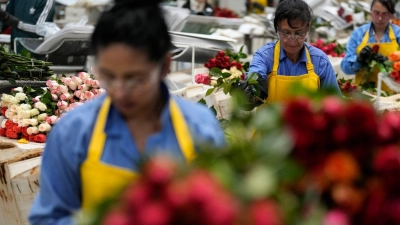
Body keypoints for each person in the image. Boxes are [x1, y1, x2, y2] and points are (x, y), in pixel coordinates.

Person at [28, 0, 225, 224]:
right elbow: (49, 218)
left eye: (135, 79)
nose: (120, 92)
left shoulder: (200, 128)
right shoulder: (73, 132)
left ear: (164, 66)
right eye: (109, 76)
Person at [240, 0, 340, 108]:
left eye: (299, 33)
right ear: (277, 29)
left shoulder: (320, 61)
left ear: (308, 28)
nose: (292, 41)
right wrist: (252, 89)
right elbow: (256, 73)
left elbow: (335, 105)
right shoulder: (265, 57)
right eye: (286, 33)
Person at [341, 0, 400, 92]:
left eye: (385, 14)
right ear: (371, 12)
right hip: (364, 92)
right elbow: (345, 68)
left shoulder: (398, 34)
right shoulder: (358, 34)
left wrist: (390, 63)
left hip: (393, 93)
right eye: (377, 13)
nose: (380, 18)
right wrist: (358, 60)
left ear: (391, 15)